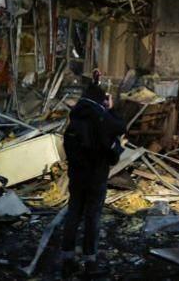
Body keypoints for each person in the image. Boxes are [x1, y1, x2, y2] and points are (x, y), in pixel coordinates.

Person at [61, 71, 126, 276]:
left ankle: (67, 259)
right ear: (102, 100)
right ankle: (90, 261)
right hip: (96, 176)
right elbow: (121, 127)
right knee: (93, 217)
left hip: (77, 176)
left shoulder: (75, 116)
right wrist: (112, 110)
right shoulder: (102, 117)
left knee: (73, 214)